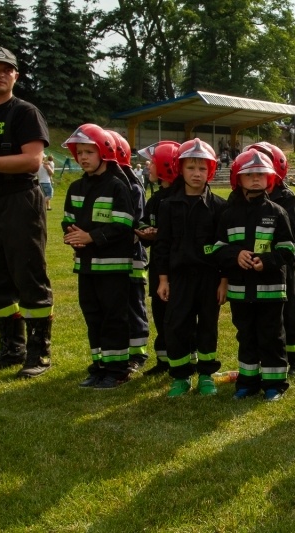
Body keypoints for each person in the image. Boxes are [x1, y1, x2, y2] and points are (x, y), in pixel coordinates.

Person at [213, 149, 295, 400]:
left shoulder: (277, 212)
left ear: (270, 178)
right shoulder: (228, 214)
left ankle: (274, 385)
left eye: (261, 174)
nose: (256, 179)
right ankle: (247, 382)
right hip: (240, 291)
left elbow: (289, 249)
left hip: (270, 291)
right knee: (246, 336)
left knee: (271, 337)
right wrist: (235, 254)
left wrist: (268, 262)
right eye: (249, 175)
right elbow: (216, 249)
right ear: (238, 179)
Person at [0, 46, 53, 377]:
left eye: (6, 68)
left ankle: (39, 351)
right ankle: (11, 347)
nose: (0, 73)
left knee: (28, 274)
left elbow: (32, 160)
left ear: (15, 75)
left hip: (19, 201)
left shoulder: (24, 112)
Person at [153, 138, 228, 397]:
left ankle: (206, 375)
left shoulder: (220, 206)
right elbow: (162, 244)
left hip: (209, 278)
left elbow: (224, 247)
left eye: (202, 168)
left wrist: (224, 280)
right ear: (180, 169)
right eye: (191, 168)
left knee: (208, 325)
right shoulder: (168, 205)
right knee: (176, 325)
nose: (197, 174)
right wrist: (163, 279)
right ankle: (180, 377)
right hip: (179, 277)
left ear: (210, 171)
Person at [61, 124, 135, 388]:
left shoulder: (117, 187)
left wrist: (91, 237)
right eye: (79, 152)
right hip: (86, 266)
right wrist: (72, 236)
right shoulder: (76, 187)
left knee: (114, 317)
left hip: (112, 268)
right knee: (92, 316)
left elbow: (123, 224)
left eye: (88, 152)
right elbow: (67, 220)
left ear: (103, 152)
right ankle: (99, 366)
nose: (82, 157)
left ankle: (117, 370)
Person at [246, 142, 295, 375]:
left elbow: (290, 237)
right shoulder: (244, 199)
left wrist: (276, 257)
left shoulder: (286, 198)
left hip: (282, 264)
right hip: (256, 265)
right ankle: (265, 357)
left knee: (289, 312)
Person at [135, 141, 180, 375]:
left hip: (178, 268)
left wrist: (162, 234)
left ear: (166, 166)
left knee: (180, 316)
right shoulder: (155, 199)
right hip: (158, 267)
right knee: (161, 314)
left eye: (152, 162)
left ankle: (182, 360)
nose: (149, 167)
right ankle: (164, 360)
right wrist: (145, 233)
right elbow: (145, 223)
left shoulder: (181, 198)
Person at [108, 131, 150, 373]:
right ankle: (119, 351)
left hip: (131, 255)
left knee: (133, 304)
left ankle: (137, 354)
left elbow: (136, 224)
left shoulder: (132, 185)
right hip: (109, 256)